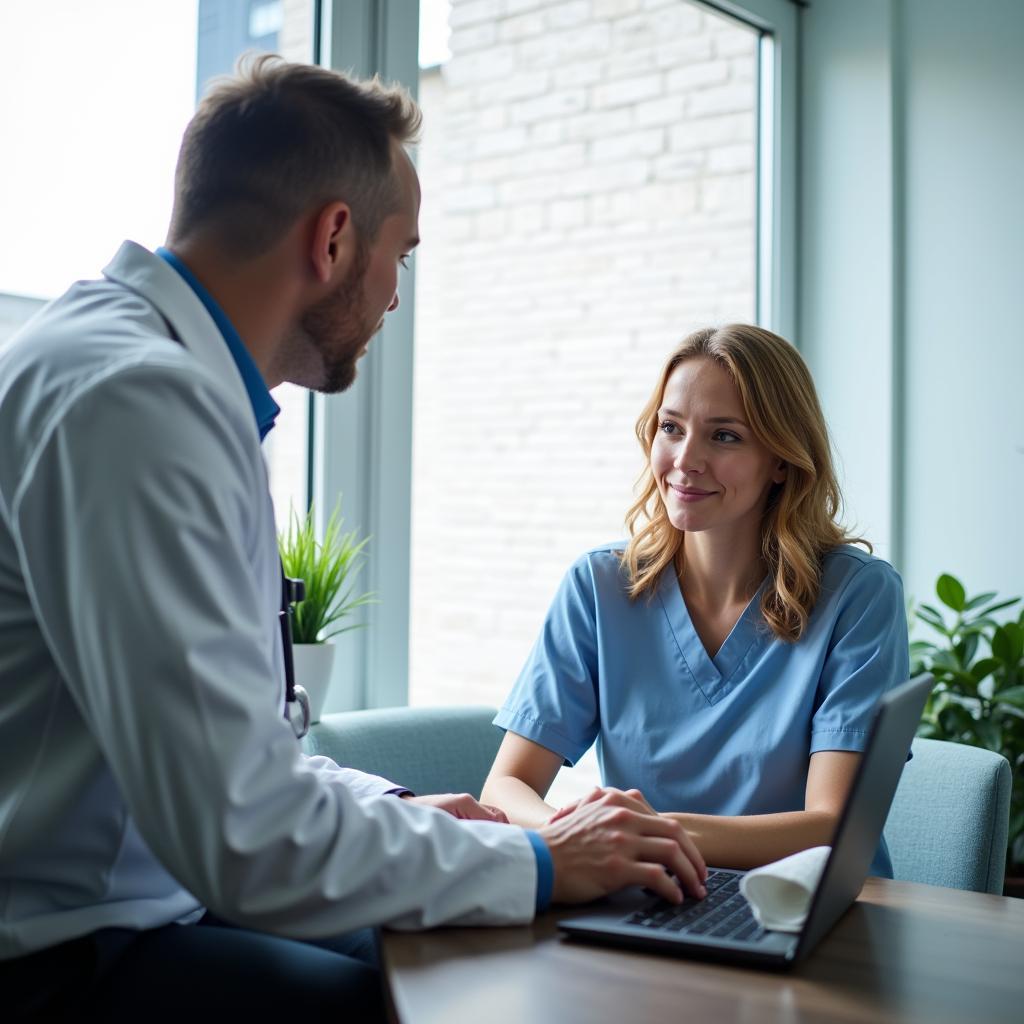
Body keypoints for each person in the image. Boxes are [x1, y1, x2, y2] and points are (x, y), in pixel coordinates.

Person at [0, 56, 706, 1020]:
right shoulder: (137, 405)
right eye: (400, 256)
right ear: (334, 238)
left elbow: (239, 756)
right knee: (456, 1000)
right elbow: (245, 833)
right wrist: (538, 857)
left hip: (140, 901)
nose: (396, 300)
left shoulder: (146, 376)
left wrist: (403, 807)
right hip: (59, 957)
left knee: (456, 957)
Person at [482, 324, 910, 874]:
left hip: (807, 913)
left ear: (781, 460)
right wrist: (584, 836)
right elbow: (507, 784)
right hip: (654, 893)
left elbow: (835, 822)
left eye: (724, 436)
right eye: (671, 428)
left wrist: (654, 832)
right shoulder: (599, 588)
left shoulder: (858, 595)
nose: (686, 460)